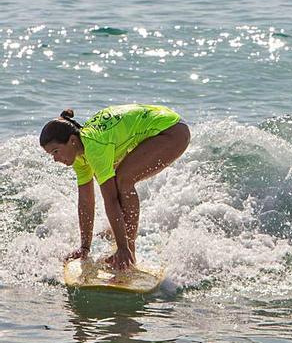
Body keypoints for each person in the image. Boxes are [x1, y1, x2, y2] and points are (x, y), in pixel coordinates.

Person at [40, 104, 190, 270]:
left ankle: (128, 253)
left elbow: (110, 200)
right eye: (51, 154)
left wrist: (123, 247)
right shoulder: (79, 154)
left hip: (172, 131)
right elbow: (86, 201)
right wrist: (84, 247)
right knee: (119, 180)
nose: (55, 159)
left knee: (123, 180)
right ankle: (123, 243)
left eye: (55, 151)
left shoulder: (94, 148)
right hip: (158, 130)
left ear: (72, 141)